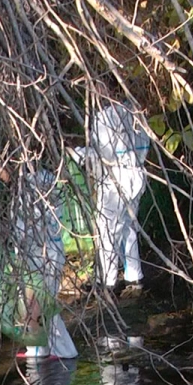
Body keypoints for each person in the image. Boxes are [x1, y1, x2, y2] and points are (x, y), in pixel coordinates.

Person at [72, 100, 150, 294]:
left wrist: (75, 153)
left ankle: (106, 282)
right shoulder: (136, 111)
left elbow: (103, 155)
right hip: (137, 173)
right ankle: (134, 276)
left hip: (115, 178)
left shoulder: (105, 116)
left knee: (107, 230)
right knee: (128, 226)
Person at [13, 169, 78, 360]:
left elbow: (30, 223)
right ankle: (39, 349)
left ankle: (63, 351)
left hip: (41, 253)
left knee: (39, 303)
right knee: (33, 302)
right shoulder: (43, 179)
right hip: (42, 251)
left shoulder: (32, 184)